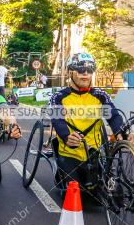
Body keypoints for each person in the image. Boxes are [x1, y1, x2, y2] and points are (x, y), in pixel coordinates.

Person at [48, 52, 125, 195]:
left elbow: (114, 115)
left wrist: (119, 132)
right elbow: (56, 119)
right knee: (75, 193)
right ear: (70, 72)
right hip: (69, 152)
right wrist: (66, 136)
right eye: (80, 69)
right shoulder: (58, 97)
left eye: (89, 70)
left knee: (107, 194)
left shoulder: (100, 95)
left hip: (93, 153)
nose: (85, 73)